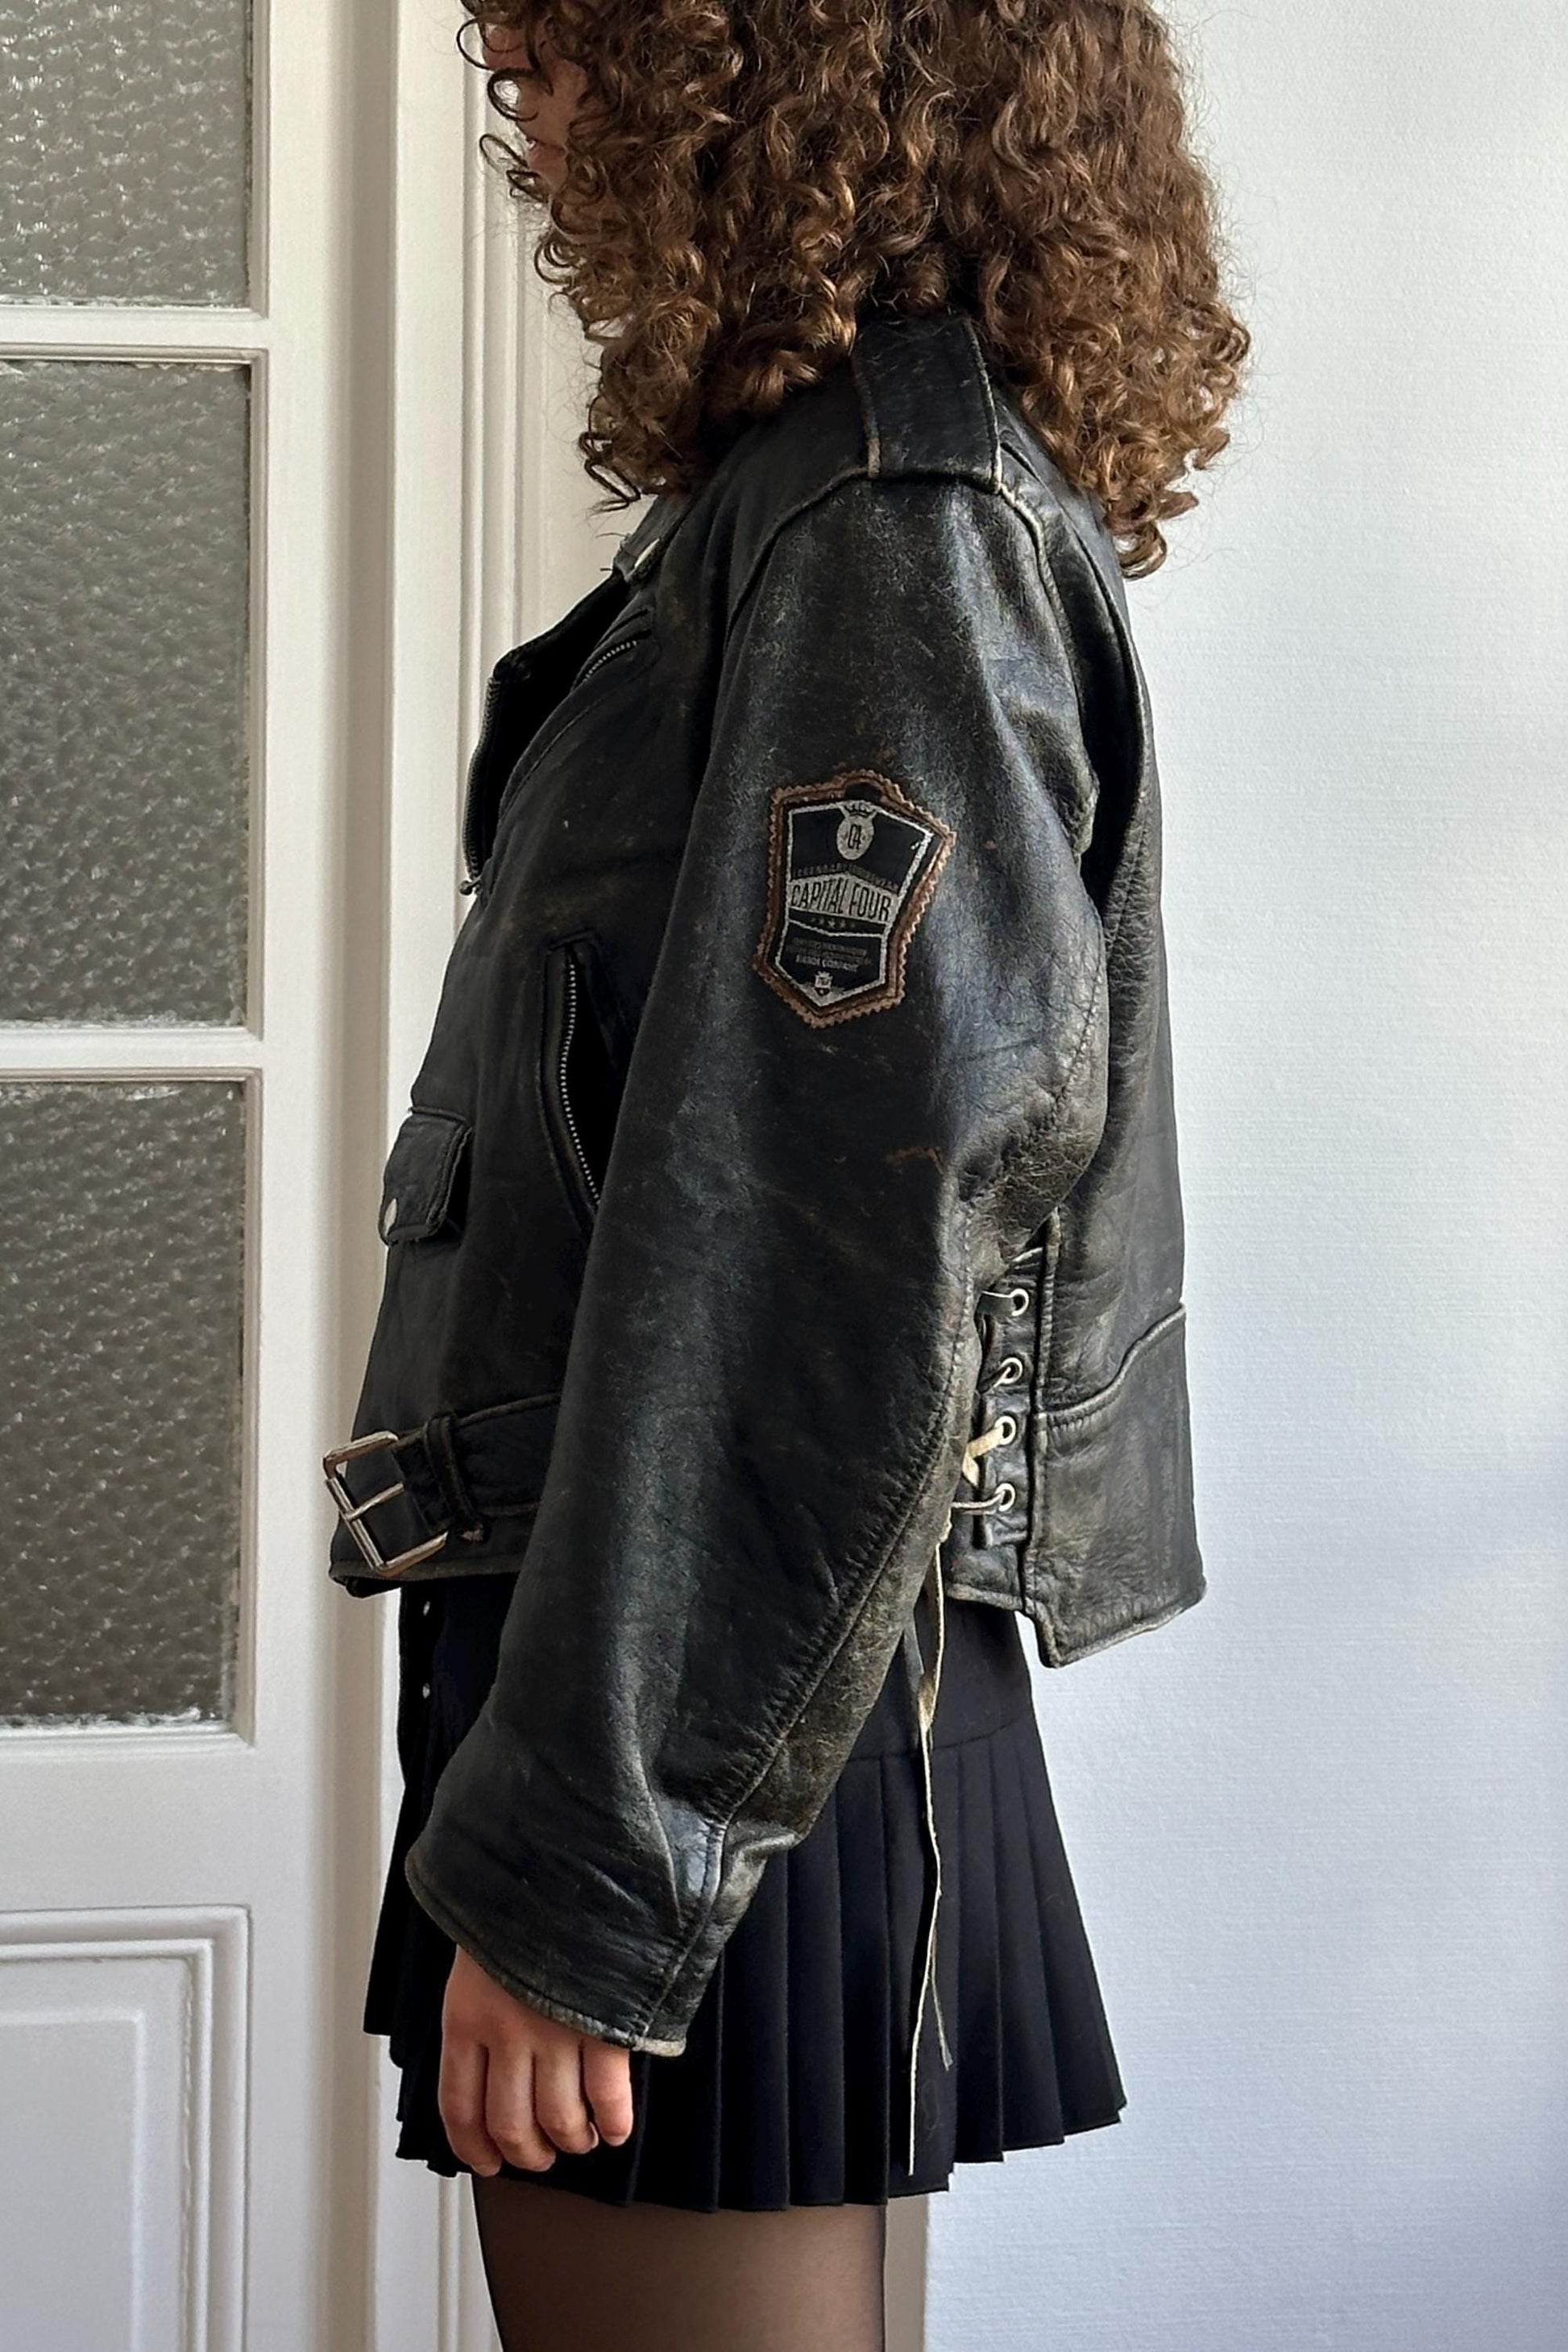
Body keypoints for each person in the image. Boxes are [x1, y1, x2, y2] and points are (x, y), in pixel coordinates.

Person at [326, 4, 1250, 2345]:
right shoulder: (812, 502)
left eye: (574, 24)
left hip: (715, 1715)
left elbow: (818, 1276)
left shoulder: (882, 531)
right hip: (704, 1695)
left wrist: (594, 1877)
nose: (509, 58)